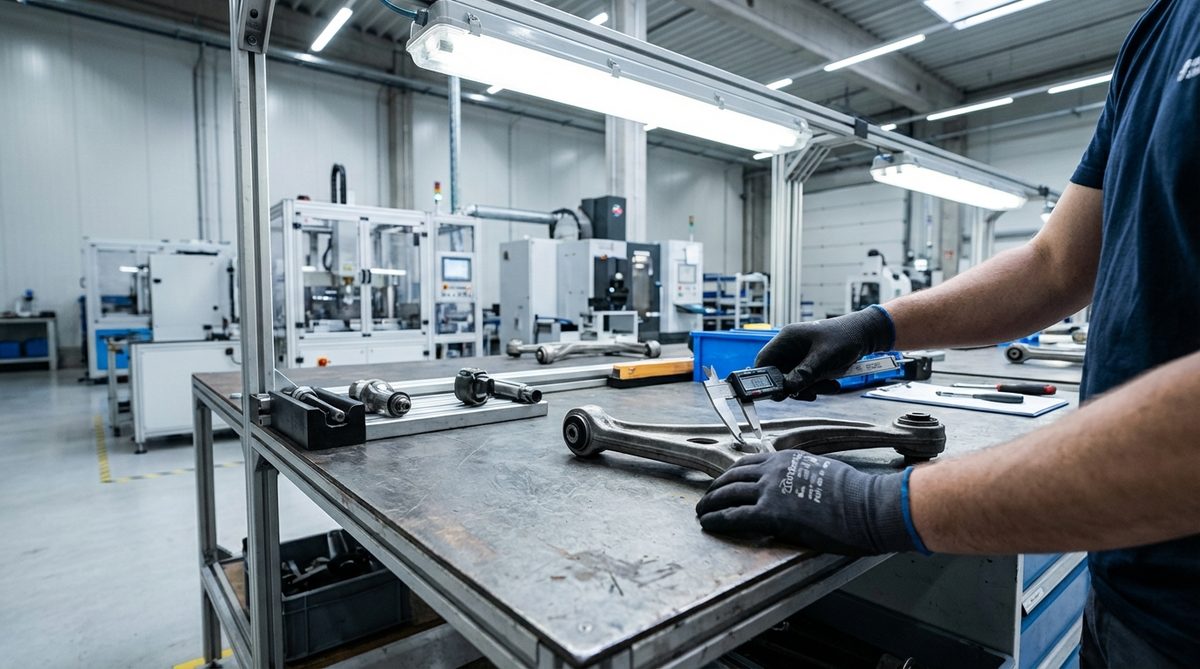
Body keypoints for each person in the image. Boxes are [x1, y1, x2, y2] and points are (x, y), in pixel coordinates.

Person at [694, 2, 1199, 666]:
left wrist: (877, 504)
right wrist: (877, 326)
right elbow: (1054, 265)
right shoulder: (1161, 30)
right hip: (1127, 592)